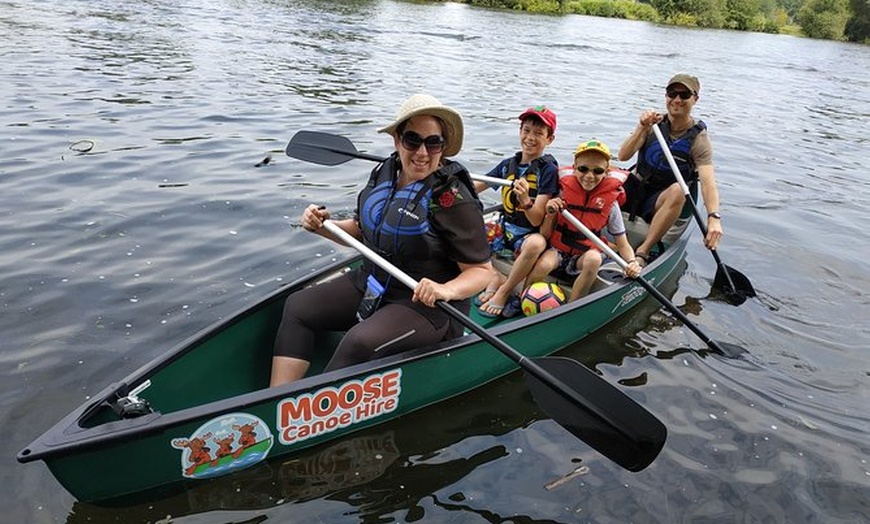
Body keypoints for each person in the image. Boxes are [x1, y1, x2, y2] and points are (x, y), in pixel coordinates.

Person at [270, 94, 493, 387]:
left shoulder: (453, 199)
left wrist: (445, 289)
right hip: (372, 282)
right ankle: (278, 400)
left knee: (358, 342)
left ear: (443, 147)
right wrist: (323, 226)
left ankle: (304, 417)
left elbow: (482, 271)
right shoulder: (383, 175)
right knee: (298, 307)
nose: (423, 152)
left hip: (425, 307)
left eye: (433, 142)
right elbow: (363, 232)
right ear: (397, 141)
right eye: (413, 140)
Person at [617, 73, 723, 267]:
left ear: (695, 99)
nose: (677, 100)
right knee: (602, 172)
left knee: (678, 191)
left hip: (663, 198)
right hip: (638, 186)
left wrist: (713, 218)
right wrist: (642, 127)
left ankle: (643, 251)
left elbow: (708, 183)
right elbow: (623, 155)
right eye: (672, 93)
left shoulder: (699, 139)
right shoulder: (653, 125)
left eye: (684, 95)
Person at [526, 140, 642, 301]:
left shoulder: (611, 204)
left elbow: (623, 243)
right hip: (558, 251)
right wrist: (550, 213)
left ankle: (572, 307)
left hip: (584, 255)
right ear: (574, 168)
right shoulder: (562, 193)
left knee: (594, 259)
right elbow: (545, 234)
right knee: (543, 265)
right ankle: (524, 299)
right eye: (583, 169)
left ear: (606, 172)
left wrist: (632, 262)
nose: (589, 176)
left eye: (597, 171)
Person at [473, 106, 559, 318]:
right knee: (468, 230)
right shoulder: (508, 164)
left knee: (537, 243)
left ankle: (503, 290)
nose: (530, 138)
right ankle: (494, 276)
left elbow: (537, 217)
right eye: (526, 130)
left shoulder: (547, 170)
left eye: (538, 133)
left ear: (550, 139)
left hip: (528, 235)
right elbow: (477, 186)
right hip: (504, 229)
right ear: (520, 131)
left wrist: (525, 200)